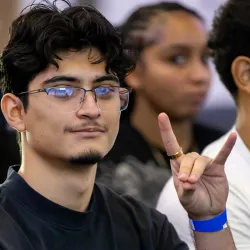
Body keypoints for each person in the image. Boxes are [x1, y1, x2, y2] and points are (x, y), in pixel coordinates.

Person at [0, 1, 237, 249]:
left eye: (104, 90)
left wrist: (209, 219)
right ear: (15, 112)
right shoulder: (8, 228)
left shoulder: (144, 226)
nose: (92, 109)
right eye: (63, 90)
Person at [97, 2, 223, 207]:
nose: (200, 75)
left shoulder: (223, 149)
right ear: (133, 70)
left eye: (205, 58)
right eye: (177, 59)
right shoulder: (101, 157)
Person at [156, 0, 250, 249]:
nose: (198, 76)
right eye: (177, 58)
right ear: (246, 75)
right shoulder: (204, 194)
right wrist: (210, 221)